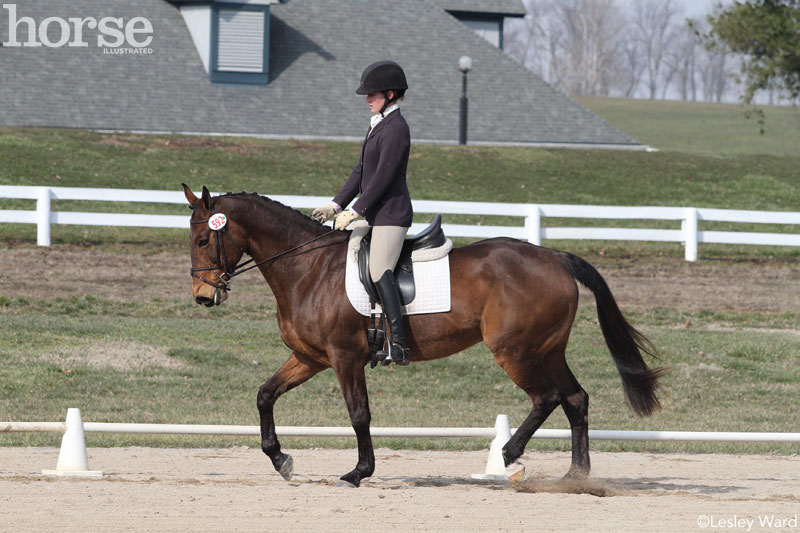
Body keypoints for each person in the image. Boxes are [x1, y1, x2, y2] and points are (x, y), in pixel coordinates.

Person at [312, 60, 412, 366]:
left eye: (373, 94)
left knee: (379, 268)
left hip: (391, 216)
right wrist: (335, 205)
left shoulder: (396, 128)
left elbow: (383, 177)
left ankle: (400, 345)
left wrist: (356, 210)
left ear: (390, 94)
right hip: (373, 215)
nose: (367, 99)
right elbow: (361, 172)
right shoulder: (378, 125)